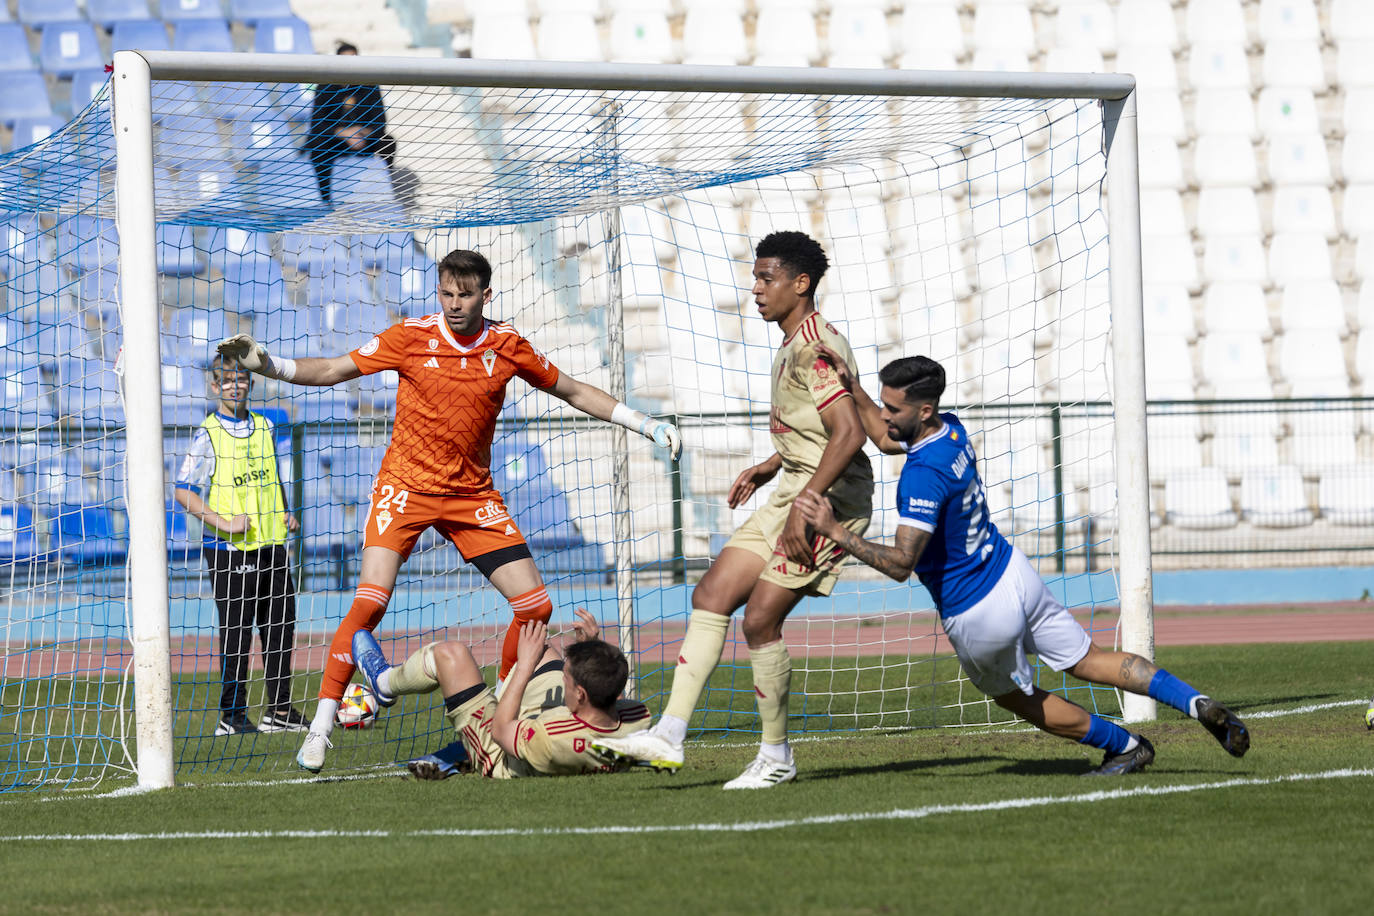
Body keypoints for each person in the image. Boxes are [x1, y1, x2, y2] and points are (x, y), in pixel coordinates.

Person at [216, 248, 680, 773]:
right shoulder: (410, 336)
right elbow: (331, 370)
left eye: (465, 295)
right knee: (369, 603)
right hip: (405, 488)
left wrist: (643, 423)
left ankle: (500, 700)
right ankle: (323, 726)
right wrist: (268, 364)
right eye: (446, 294)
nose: (454, 304)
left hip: (471, 496)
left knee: (536, 607)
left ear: (486, 295)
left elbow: (572, 390)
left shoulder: (507, 346)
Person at [793, 350, 1250, 775]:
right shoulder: (951, 429)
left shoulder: (919, 478)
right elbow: (884, 433)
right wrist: (852, 385)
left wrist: (836, 531)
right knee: (1090, 660)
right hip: (1013, 573)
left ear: (923, 411)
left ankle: (1126, 747)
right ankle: (1195, 702)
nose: (886, 416)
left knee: (1021, 698)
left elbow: (899, 564)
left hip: (975, 609)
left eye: (893, 408)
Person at [591, 231, 873, 790]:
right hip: (794, 485)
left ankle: (776, 758)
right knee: (712, 593)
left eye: (767, 279)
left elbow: (849, 434)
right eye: (755, 278)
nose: (756, 290)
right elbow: (817, 428)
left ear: (801, 283)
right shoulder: (794, 341)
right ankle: (670, 734)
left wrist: (805, 505)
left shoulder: (816, 346)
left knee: (760, 619)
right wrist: (772, 465)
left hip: (827, 500)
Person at [173, 355, 307, 736]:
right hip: (229, 551)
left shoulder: (265, 426)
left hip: (272, 546)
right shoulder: (208, 434)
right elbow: (183, 492)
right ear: (215, 386)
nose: (235, 385)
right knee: (237, 631)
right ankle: (231, 716)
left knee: (280, 627)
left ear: (251, 383)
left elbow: (271, 478)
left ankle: (279, 711)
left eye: (242, 379)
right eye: (227, 380)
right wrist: (224, 523)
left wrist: (284, 511)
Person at [351, 609, 649, 779]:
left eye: (567, 679)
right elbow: (611, 697)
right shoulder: (639, 717)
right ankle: (457, 752)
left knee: (451, 655)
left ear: (581, 695)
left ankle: (384, 682)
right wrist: (592, 648)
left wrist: (524, 666)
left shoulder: (552, 736)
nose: (563, 677)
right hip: (556, 724)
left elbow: (501, 729)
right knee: (544, 649)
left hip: (501, 753)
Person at [305, 42, 398, 206]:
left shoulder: (369, 86)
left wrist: (361, 132)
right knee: (316, 145)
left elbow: (380, 121)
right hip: (335, 141)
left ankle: (387, 185)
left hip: (363, 139)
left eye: (353, 59)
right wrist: (344, 133)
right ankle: (326, 199)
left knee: (388, 142)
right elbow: (317, 123)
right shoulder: (325, 86)